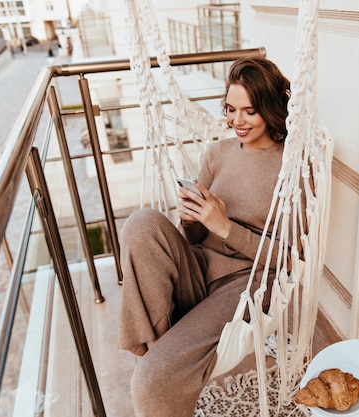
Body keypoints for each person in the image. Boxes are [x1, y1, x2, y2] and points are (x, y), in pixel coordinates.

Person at [118, 57, 292, 417]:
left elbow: (290, 258)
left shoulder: (290, 164)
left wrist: (226, 226)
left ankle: (159, 368)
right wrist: (192, 218)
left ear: (271, 109)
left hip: (248, 282)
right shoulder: (217, 153)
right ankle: (163, 357)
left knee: (149, 380)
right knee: (143, 222)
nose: (237, 122)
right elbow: (194, 239)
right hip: (199, 269)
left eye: (249, 111)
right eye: (231, 109)